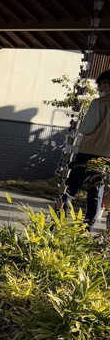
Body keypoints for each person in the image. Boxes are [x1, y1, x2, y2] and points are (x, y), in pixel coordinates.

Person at [62, 70, 110, 231]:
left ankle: (58, 221)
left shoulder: (99, 103)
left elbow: (86, 128)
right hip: (106, 156)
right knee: (95, 192)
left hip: (89, 151)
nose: (102, 87)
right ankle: (86, 228)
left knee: (71, 187)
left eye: (104, 84)